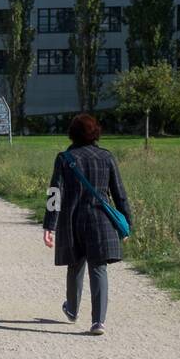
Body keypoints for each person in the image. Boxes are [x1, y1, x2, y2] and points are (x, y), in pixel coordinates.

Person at [42, 113, 133, 336]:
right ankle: (98, 322)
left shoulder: (64, 158)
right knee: (99, 268)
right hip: (101, 220)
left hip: (73, 220)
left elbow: (55, 193)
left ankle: (72, 310)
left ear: (72, 134)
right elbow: (120, 194)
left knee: (74, 265)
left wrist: (49, 225)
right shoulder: (107, 157)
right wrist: (126, 224)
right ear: (95, 133)